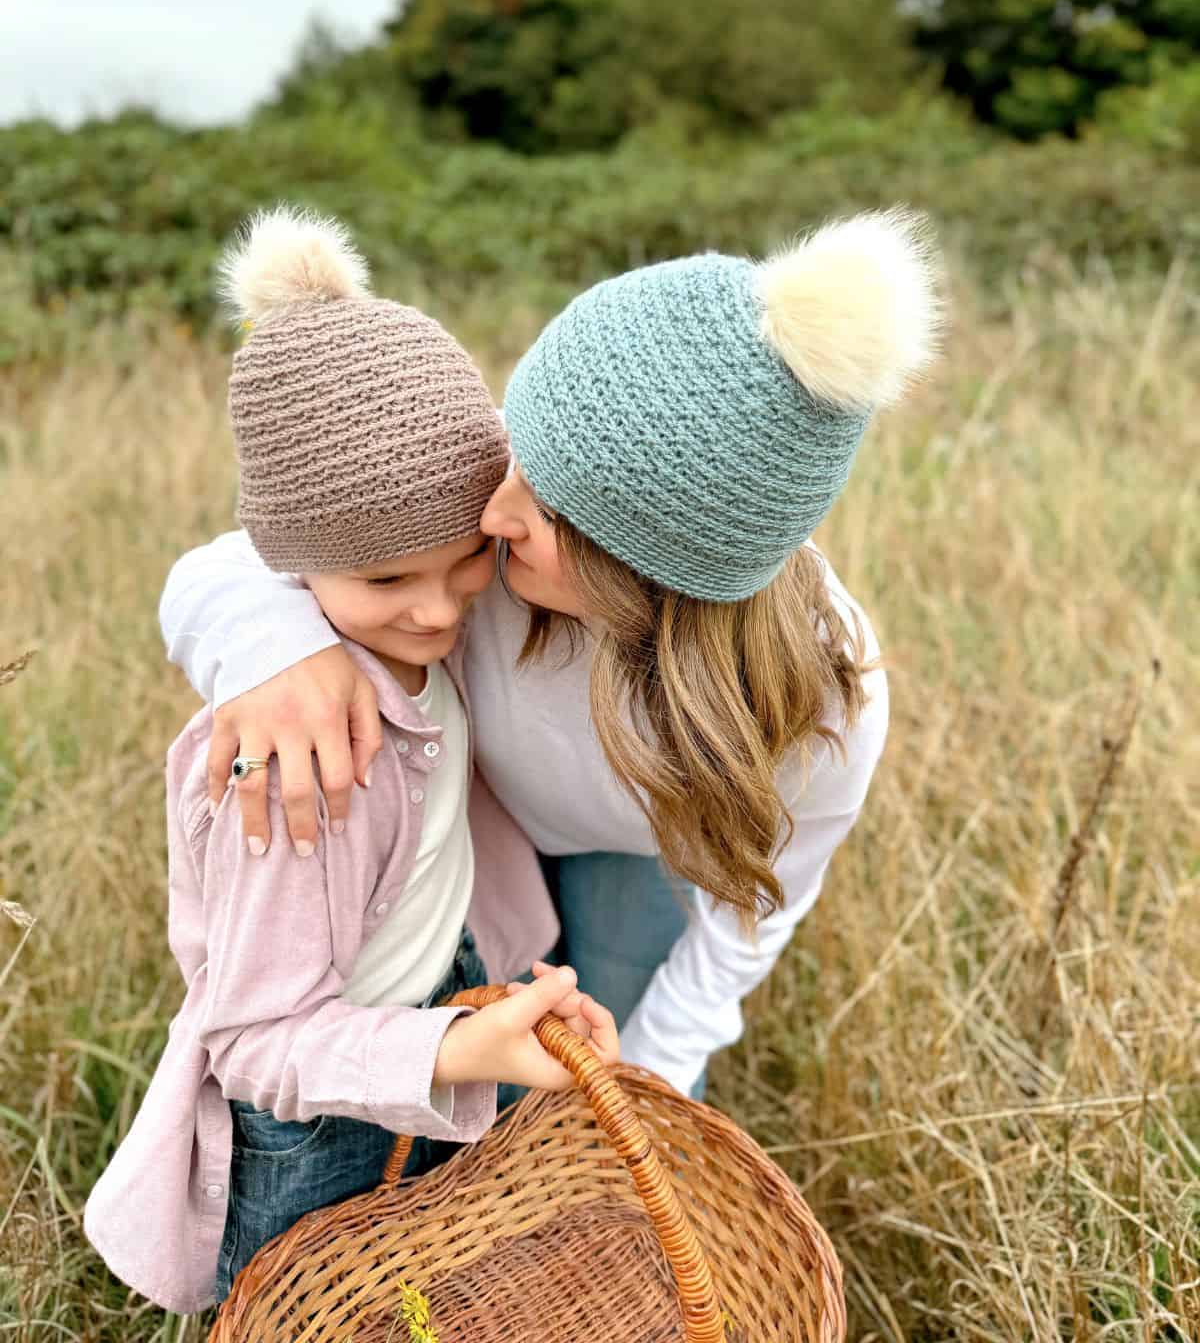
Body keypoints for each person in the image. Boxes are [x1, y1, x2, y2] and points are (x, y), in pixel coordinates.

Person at [160, 207, 942, 1102]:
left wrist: (653, 1086)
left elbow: (748, 924)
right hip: (468, 824)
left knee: (592, 1053)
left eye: (550, 512)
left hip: (632, 855)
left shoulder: (821, 705)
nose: (493, 516)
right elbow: (245, 558)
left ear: (649, 574)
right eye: (516, 458)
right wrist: (274, 650)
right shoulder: (500, 512)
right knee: (470, 1058)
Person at [84, 208, 618, 1315]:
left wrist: (478, 1012)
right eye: (385, 581)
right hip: (319, 1119)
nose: (434, 609)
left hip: (428, 1011)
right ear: (292, 565)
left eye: (467, 556)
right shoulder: (299, 766)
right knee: (319, 1307)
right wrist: (458, 1050)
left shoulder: (422, 632)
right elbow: (257, 1042)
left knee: (433, 1285)